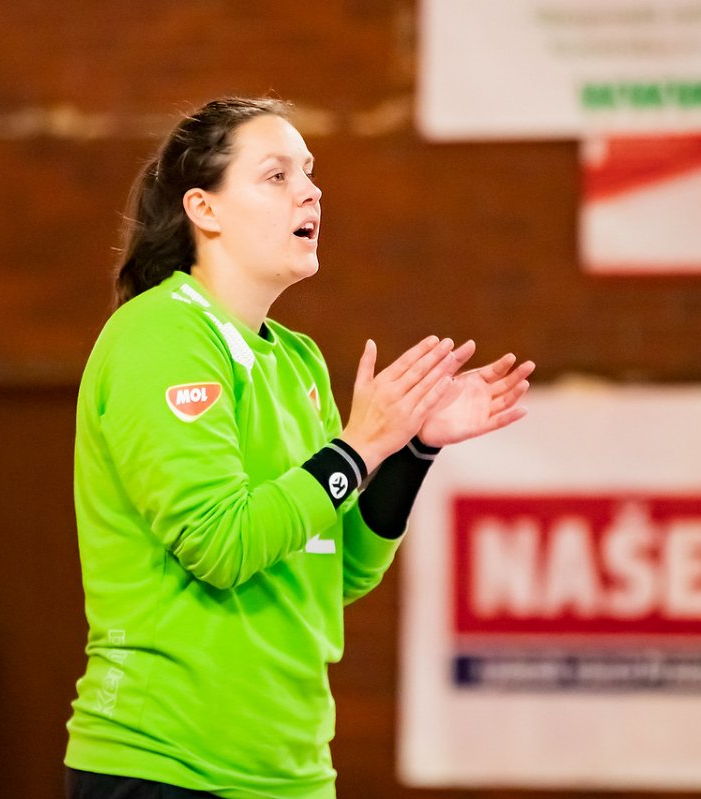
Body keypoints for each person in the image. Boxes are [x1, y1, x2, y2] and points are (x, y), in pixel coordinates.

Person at [64, 96, 533, 799]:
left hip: (293, 774)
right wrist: (358, 446)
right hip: (165, 765)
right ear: (204, 209)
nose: (311, 191)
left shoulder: (298, 360)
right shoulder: (160, 334)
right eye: (277, 175)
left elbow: (338, 569)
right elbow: (221, 544)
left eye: (309, 172)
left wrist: (410, 448)